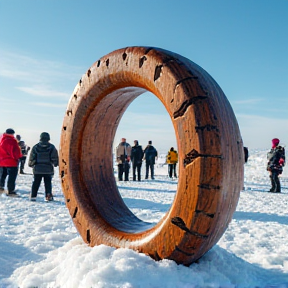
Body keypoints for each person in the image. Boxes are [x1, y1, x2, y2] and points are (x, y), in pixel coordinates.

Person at [28, 132, 59, 201]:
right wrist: (55, 163)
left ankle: (33, 196)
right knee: (48, 183)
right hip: (48, 169)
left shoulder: (36, 147)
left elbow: (32, 157)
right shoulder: (51, 147)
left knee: (36, 183)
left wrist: (31, 164)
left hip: (37, 169)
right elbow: (54, 158)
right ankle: (48, 196)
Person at [0, 128, 23, 196]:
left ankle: (1, 188)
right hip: (11, 162)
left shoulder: (2, 139)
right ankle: (11, 190)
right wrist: (18, 157)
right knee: (12, 177)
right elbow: (15, 152)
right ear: (12, 134)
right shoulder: (12, 141)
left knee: (2, 175)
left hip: (2, 162)